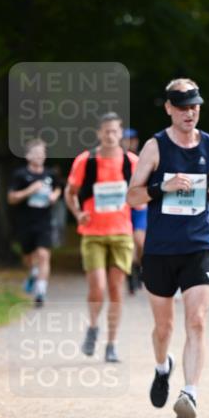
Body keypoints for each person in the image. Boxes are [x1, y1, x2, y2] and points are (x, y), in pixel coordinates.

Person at [126, 78, 209, 418]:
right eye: (183, 106)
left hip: (198, 243)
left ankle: (190, 393)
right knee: (163, 327)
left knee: (197, 321)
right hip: (160, 248)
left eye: (195, 105)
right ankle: (162, 367)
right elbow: (133, 196)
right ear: (169, 108)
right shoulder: (155, 148)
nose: (190, 112)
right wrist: (162, 186)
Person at [65, 113, 139, 362]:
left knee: (116, 289)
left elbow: (143, 193)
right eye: (106, 131)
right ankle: (93, 326)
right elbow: (70, 192)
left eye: (115, 131)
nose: (110, 136)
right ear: (98, 133)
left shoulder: (132, 162)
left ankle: (112, 343)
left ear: (121, 133)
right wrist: (78, 213)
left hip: (121, 232)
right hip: (93, 232)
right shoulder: (86, 161)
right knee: (97, 287)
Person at [7, 138, 62, 306]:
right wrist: (29, 191)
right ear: (28, 156)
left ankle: (40, 292)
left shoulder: (50, 174)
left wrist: (54, 196)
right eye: (36, 153)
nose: (39, 156)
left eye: (42, 153)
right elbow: (11, 198)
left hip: (44, 221)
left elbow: (58, 188)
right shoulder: (20, 175)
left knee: (44, 255)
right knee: (28, 256)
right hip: (25, 222)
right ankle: (33, 273)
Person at [122, 129, 146, 294]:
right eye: (126, 139)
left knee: (140, 242)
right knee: (129, 244)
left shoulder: (143, 158)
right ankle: (131, 276)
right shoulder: (118, 160)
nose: (129, 142)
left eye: (132, 139)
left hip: (140, 206)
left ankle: (139, 267)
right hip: (124, 206)